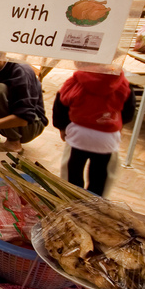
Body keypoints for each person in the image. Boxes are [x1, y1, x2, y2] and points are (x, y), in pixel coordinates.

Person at [52, 67, 136, 196]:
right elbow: (128, 111)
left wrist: (62, 127)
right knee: (100, 177)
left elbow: (61, 102)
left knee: (71, 174)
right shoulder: (122, 83)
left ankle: (71, 203)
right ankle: (95, 207)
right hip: (107, 139)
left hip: (79, 135)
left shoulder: (76, 79)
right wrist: (119, 125)